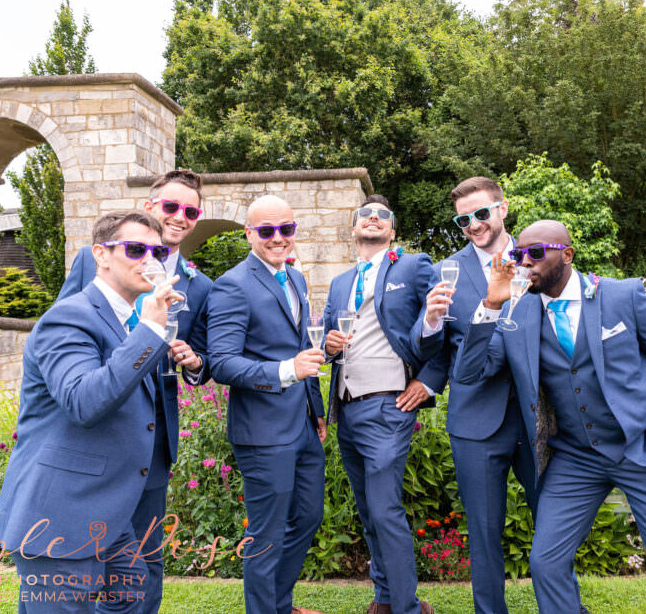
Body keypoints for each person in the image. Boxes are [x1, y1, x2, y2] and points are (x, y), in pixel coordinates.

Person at [453, 220, 646, 614]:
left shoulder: (622, 296)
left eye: (536, 252)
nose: (526, 262)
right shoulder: (516, 313)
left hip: (643, 450)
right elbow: (469, 372)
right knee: (546, 563)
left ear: (567, 254)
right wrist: (492, 304)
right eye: (518, 254)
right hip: (576, 458)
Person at [0, 210, 184, 611]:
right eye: (135, 249)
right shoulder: (69, 317)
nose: (149, 260)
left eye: (158, 252)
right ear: (101, 254)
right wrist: (151, 332)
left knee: (133, 592)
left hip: (106, 514)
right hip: (61, 512)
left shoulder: (130, 320)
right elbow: (84, 401)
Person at [54, 169, 212, 613]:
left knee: (145, 556)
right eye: (171, 207)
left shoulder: (201, 284)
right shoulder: (97, 260)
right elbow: (64, 324)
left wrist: (194, 361)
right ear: (151, 206)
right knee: (83, 558)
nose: (180, 217)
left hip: (153, 432)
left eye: (191, 211)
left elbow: (204, 358)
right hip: (94, 431)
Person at [322, 194, 450, 614]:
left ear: (392, 230)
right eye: (365, 214)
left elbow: (442, 323)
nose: (373, 218)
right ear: (353, 227)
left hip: (388, 405)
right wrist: (327, 343)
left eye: (383, 215)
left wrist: (429, 382)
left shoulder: (414, 266)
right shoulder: (341, 282)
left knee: (384, 508)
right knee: (368, 509)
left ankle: (408, 607)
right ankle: (384, 599)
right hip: (346, 406)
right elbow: (326, 342)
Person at [417, 177, 539, 614]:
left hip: (538, 415)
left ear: (503, 209)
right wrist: (430, 322)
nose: (474, 224)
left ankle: (563, 604)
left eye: (481, 213)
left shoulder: (535, 257)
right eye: (464, 219)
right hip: (475, 420)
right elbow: (432, 350)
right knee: (484, 531)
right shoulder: (445, 270)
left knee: (554, 521)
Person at [206, 195, 326, 614]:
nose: (278, 238)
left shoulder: (295, 279)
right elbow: (221, 362)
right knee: (267, 533)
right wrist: (285, 370)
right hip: (262, 430)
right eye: (266, 231)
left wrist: (317, 411)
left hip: (303, 425)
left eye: (286, 229)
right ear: (249, 234)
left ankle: (279, 604)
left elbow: (299, 348)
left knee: (309, 517)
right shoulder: (232, 285)